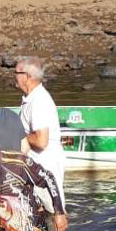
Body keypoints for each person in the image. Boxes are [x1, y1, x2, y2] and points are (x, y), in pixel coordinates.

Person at [15, 56, 66, 204]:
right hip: (34, 168)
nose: (14, 77)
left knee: (53, 215)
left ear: (27, 76)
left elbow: (41, 140)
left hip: (45, 167)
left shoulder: (39, 101)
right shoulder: (30, 98)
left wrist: (14, 133)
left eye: (17, 73)